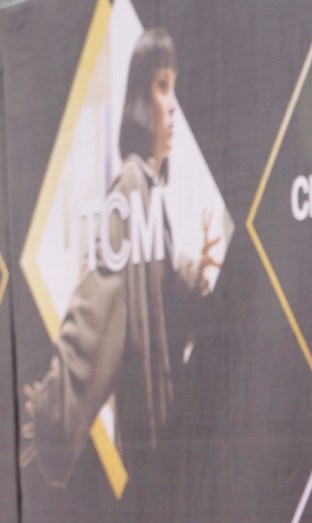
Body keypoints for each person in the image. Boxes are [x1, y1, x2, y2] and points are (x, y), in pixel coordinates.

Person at [22, 26, 225, 483]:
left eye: (173, 88)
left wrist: (196, 274)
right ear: (140, 98)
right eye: (161, 87)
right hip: (152, 452)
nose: (172, 105)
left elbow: (161, 290)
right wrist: (56, 405)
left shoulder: (149, 190)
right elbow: (102, 299)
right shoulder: (131, 186)